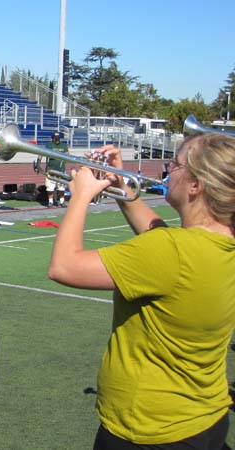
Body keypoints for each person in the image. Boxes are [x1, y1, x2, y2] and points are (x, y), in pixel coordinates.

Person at [48, 134, 235, 450]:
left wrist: (79, 195)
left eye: (174, 165)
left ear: (196, 186)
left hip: (147, 429)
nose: (167, 171)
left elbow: (63, 267)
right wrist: (122, 187)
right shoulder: (212, 244)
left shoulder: (169, 251)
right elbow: (163, 241)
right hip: (205, 417)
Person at [44, 131, 68, 207]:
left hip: (61, 169)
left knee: (61, 187)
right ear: (52, 138)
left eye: (58, 138)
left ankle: (62, 201)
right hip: (51, 169)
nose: (57, 140)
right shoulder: (49, 145)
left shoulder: (64, 145)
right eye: (55, 138)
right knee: (50, 187)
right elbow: (47, 154)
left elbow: (67, 155)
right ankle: (50, 201)